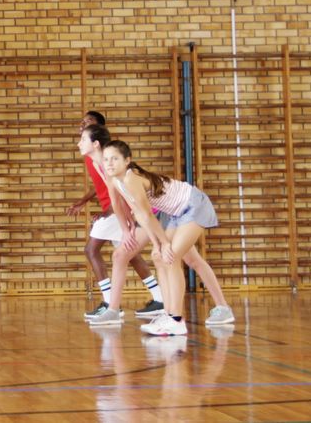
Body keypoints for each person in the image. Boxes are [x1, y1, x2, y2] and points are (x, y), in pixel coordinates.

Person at [82, 126, 234, 329]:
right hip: (175, 213)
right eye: (107, 159)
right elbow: (136, 214)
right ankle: (184, 312)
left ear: (127, 161)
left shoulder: (130, 179)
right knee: (165, 257)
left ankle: (176, 320)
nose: (109, 163)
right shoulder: (116, 180)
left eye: (115, 159)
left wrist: (162, 243)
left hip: (193, 205)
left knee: (170, 257)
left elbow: (146, 215)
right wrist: (156, 243)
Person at [67, 111, 164, 319]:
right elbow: (105, 186)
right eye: (82, 123)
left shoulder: (106, 158)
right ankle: (159, 298)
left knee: (92, 250)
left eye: (88, 124)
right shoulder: (93, 160)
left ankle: (111, 303)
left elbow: (121, 188)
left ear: (98, 137)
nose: (82, 126)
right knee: (130, 254)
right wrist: (86, 201)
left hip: (124, 209)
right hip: (118, 209)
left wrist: (112, 211)